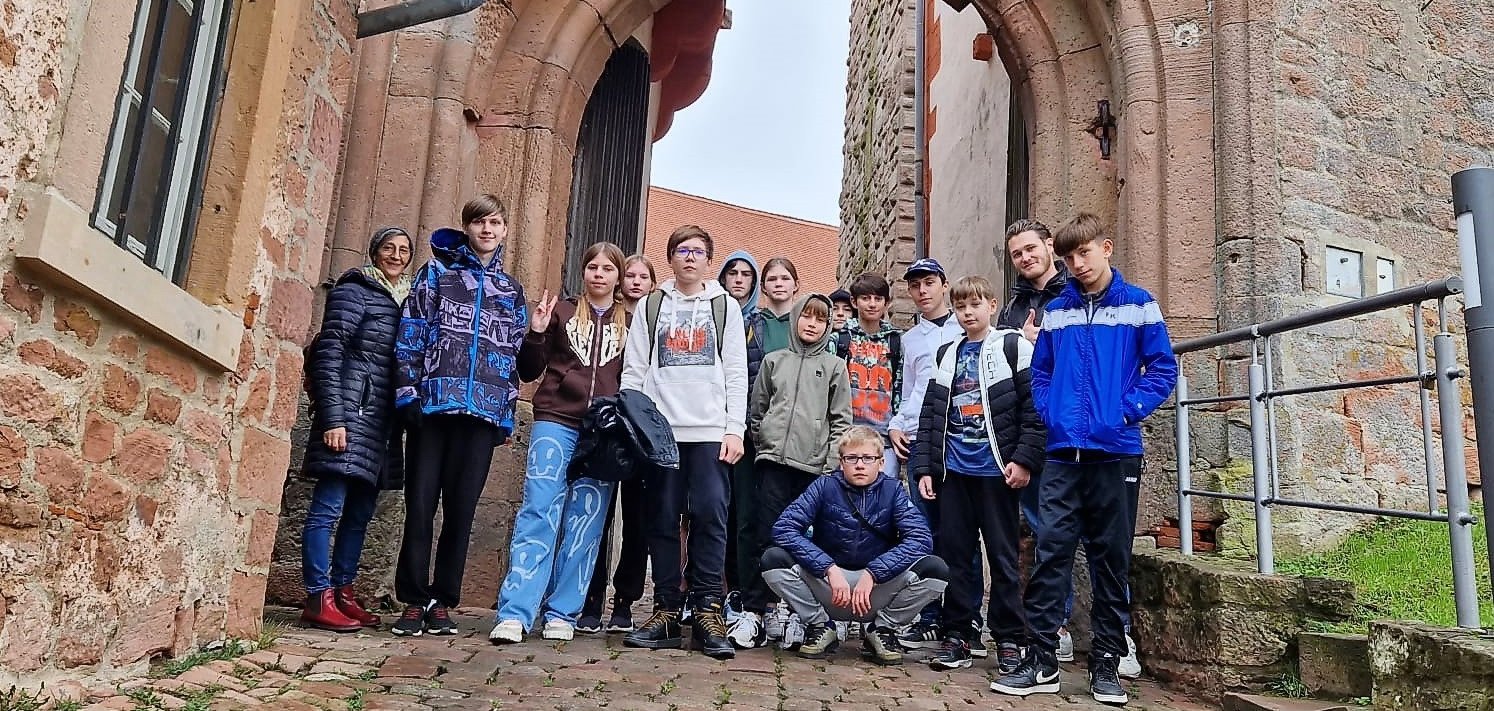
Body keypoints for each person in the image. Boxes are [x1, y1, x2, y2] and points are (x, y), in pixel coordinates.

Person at [992, 213, 1177, 705]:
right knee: (1051, 553)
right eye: (1069, 257)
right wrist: (1052, 413)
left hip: (1115, 453)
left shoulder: (1139, 305)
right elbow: (1043, 371)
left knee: (1110, 558)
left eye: (1085, 253)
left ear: (1106, 248)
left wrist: (1127, 408)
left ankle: (1107, 663)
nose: (1077, 264)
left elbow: (1162, 368)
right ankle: (1042, 660)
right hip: (1063, 454)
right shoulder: (1059, 310)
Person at [391, 195, 528, 637]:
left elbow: (513, 356)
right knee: (420, 505)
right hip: (433, 407)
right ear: (467, 227)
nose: (487, 230)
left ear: (504, 230)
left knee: (462, 511)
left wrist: (505, 415)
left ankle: (442, 599)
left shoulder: (511, 291)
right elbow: (411, 333)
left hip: (482, 414)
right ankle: (412, 599)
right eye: (480, 222)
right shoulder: (436, 275)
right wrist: (408, 393)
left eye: (495, 222)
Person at [489, 242, 631, 644]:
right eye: (592, 267)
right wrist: (535, 333)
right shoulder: (563, 313)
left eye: (607, 268)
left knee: (585, 523)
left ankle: (563, 611)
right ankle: (516, 611)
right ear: (583, 272)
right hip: (555, 420)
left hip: (601, 432)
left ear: (618, 276)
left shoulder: (632, 324)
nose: (599, 274)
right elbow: (529, 370)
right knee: (539, 510)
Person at [620, 225, 747, 660]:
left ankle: (709, 610)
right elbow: (634, 371)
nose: (689, 258)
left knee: (712, 514)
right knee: (661, 517)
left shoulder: (724, 307)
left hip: (710, 431)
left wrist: (735, 429)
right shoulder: (652, 305)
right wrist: (636, 425)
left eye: (697, 251)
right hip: (662, 433)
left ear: (708, 260)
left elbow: (735, 371)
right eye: (681, 251)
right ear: (671, 258)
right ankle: (667, 609)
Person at [911, 275, 1045, 675]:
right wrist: (926, 468)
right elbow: (931, 415)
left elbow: (1033, 409)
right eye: (960, 307)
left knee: (1003, 556)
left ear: (991, 305)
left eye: (975, 305)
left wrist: (1024, 460)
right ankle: (959, 633)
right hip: (955, 471)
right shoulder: (946, 353)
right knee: (955, 556)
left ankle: (1008, 637)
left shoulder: (1011, 345)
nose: (968, 313)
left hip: (996, 471)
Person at [299, 227, 413, 632]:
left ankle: (344, 593)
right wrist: (333, 418)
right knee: (328, 508)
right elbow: (329, 352)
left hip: (381, 423)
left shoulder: (407, 302)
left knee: (360, 513)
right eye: (389, 249)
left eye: (403, 250)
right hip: (350, 412)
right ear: (374, 253)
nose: (396, 256)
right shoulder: (355, 290)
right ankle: (318, 596)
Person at [762, 425, 947, 665]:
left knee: (935, 569)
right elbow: (784, 528)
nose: (860, 465)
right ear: (841, 462)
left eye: (868, 458)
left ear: (881, 463)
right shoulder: (824, 486)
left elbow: (921, 539)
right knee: (773, 559)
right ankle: (820, 625)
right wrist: (827, 567)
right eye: (852, 458)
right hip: (829, 586)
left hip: (874, 590)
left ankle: (882, 630)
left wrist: (874, 572)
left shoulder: (893, 491)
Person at [730, 294, 854, 649]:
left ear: (828, 325)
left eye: (819, 319)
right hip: (773, 464)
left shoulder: (834, 367)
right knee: (765, 535)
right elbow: (758, 410)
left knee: (806, 540)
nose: (811, 324)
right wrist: (766, 439)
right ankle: (757, 609)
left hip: (813, 468)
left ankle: (799, 612)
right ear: (796, 319)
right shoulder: (773, 361)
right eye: (806, 317)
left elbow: (840, 420)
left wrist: (829, 463)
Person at [885, 258, 981, 652]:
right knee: (923, 532)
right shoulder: (909, 340)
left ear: (944, 285)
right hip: (921, 439)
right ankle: (927, 614)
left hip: (959, 437)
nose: (922, 291)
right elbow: (908, 393)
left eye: (929, 283)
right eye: (915, 285)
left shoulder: (968, 325)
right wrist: (895, 424)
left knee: (962, 535)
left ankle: (967, 616)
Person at [578, 253, 656, 634]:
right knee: (598, 516)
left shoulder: (656, 322)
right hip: (608, 428)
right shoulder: (612, 320)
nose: (636, 282)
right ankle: (590, 598)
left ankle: (625, 599)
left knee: (638, 518)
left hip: (640, 430)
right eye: (631, 275)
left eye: (644, 276)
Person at [716, 250, 762, 599]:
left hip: (745, 428)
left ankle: (737, 589)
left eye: (746, 274)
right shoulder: (711, 314)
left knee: (741, 514)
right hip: (708, 422)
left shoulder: (759, 324)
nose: (739, 279)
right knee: (706, 510)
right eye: (733, 272)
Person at [836, 273, 903, 482]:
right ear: (854, 302)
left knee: (884, 501)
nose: (872, 304)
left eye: (878, 299)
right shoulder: (839, 339)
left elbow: (901, 388)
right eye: (865, 298)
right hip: (847, 434)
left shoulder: (896, 341)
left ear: (886, 303)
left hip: (884, 438)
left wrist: (897, 425)